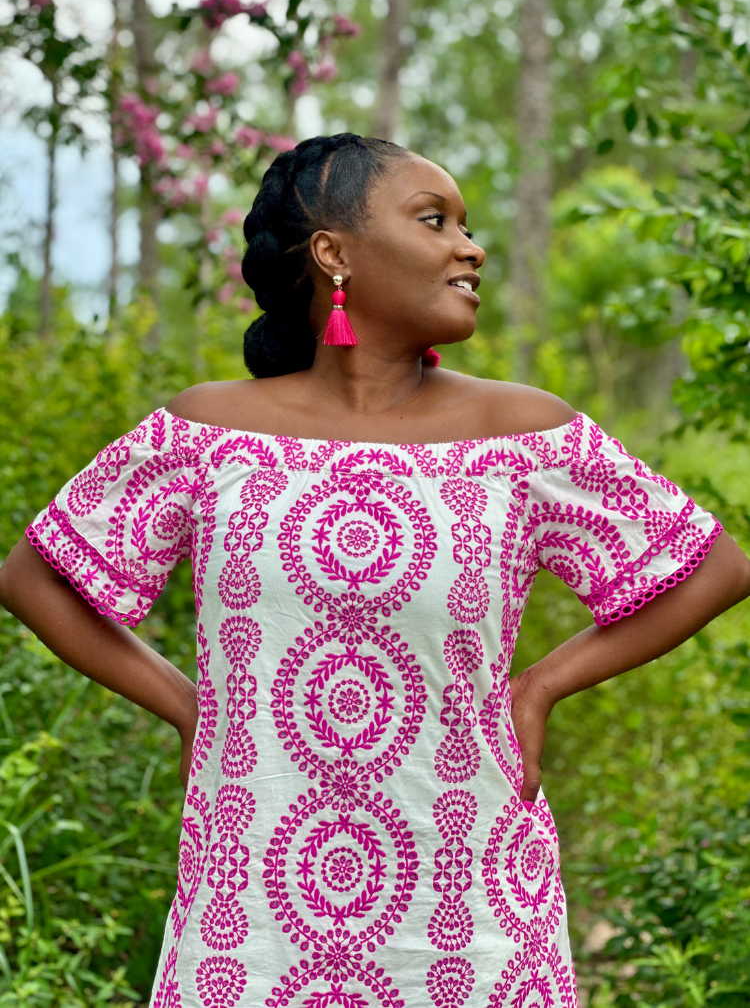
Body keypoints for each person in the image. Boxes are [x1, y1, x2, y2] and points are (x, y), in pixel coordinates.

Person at [1, 133, 748, 1008]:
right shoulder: (206, 433)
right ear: (334, 253)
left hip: (472, 915)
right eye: (435, 221)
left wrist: (539, 687)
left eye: (467, 226)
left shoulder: (522, 433)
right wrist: (191, 707)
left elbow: (714, 565)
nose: (470, 247)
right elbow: (35, 576)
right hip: (249, 928)